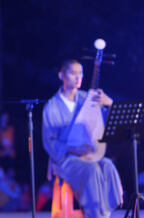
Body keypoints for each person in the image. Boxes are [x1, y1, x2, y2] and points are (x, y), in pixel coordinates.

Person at [42, 59, 123, 218]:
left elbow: (102, 122)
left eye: (80, 73)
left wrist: (109, 103)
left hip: (89, 154)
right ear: (62, 75)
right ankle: (95, 213)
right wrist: (73, 149)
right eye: (73, 73)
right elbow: (49, 141)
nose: (78, 77)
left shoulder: (87, 98)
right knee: (92, 170)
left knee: (107, 166)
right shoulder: (52, 107)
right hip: (66, 159)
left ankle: (104, 212)